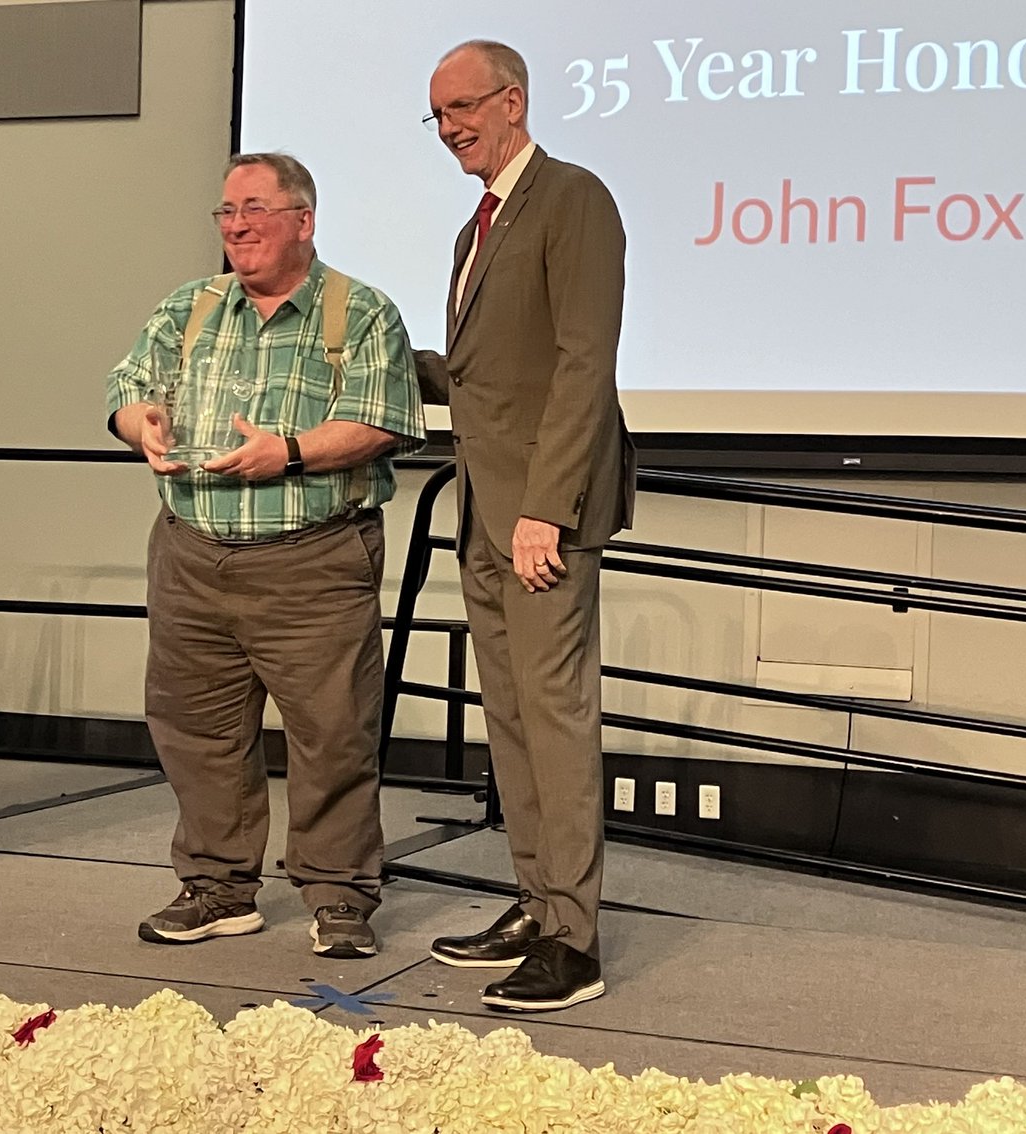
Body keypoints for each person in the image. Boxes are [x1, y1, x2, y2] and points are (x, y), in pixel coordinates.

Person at [107, 152, 424, 959]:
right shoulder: (189, 307)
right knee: (197, 729)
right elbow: (128, 390)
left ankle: (339, 894)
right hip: (191, 553)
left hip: (312, 560)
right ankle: (218, 887)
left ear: (303, 220)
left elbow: (380, 420)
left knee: (332, 733)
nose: (237, 226)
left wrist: (286, 453)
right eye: (226, 212)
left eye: (254, 209)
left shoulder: (361, 314)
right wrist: (141, 425)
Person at [416, 41, 635, 1011]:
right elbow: (482, 374)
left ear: (513, 101)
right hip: (485, 510)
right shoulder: (477, 228)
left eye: (462, 108)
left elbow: (586, 362)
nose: (449, 128)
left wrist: (548, 506)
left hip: (543, 516)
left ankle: (573, 944)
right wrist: (384, 359)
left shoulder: (572, 198)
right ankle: (538, 903)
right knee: (510, 721)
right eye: (437, 115)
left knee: (555, 721)